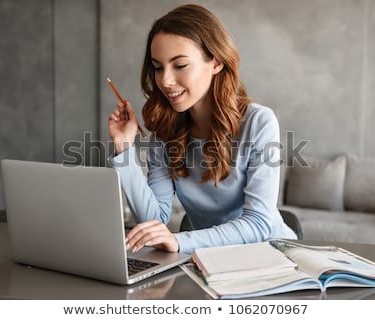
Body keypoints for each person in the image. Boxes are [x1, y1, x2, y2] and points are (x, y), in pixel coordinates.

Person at [107, 4, 297, 255]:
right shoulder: (165, 131)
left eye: (180, 65)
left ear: (216, 62)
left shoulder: (258, 122)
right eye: (158, 67)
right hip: (207, 261)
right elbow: (155, 220)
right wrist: (124, 147)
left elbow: (258, 223)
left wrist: (180, 242)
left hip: (271, 256)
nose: (165, 80)